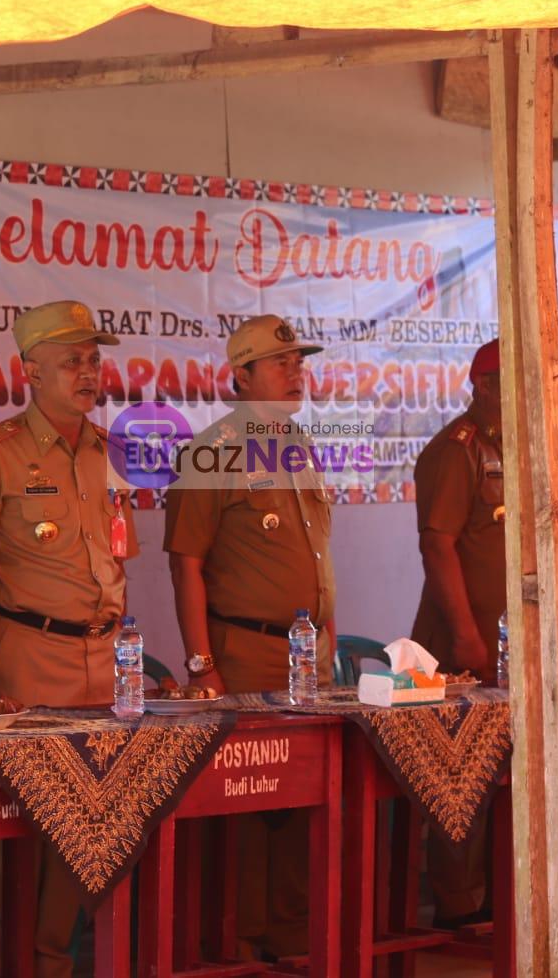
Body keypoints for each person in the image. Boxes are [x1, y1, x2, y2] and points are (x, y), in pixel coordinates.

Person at [0, 299, 136, 978]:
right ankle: (5, 963)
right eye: (71, 362)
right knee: (17, 832)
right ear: (30, 372)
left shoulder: (109, 451)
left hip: (101, 661)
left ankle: (52, 962)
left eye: (93, 359)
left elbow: (116, 557)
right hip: (25, 657)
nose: (88, 373)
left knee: (92, 828)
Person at [163, 312, 334, 960]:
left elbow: (317, 559)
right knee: (244, 806)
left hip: (306, 657)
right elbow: (186, 563)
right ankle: (232, 944)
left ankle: (291, 938)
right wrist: (201, 662)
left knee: (300, 805)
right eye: (280, 363)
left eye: (298, 361)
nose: (296, 372)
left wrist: (329, 638)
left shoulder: (300, 445)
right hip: (244, 653)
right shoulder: (213, 452)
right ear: (240, 376)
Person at [408, 338, 507, 926]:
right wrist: (468, 639)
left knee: (506, 775)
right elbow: (437, 545)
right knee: (461, 779)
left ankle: (505, 895)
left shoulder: (521, 448)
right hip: (462, 647)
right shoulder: (456, 449)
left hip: (513, 647)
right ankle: (458, 905)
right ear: (486, 385)